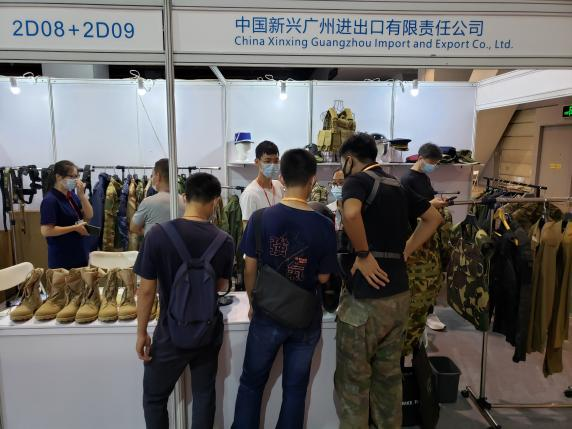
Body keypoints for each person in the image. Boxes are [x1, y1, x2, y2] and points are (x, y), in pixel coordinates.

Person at [334, 133, 442, 428]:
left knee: (353, 384)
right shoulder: (397, 184)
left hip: (365, 301)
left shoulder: (357, 181)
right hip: (398, 297)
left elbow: (351, 214)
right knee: (389, 380)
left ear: (349, 160)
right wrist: (406, 249)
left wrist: (363, 254)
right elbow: (434, 218)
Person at [232, 149, 338, 429]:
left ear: (281, 177)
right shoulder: (325, 225)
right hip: (305, 316)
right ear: (313, 180)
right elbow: (324, 277)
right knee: (295, 389)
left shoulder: (260, 219)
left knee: (251, 383)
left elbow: (249, 268)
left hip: (266, 313)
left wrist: (254, 302)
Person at [134, 173, 235, 429]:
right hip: (207, 330)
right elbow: (222, 286)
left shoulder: (157, 235)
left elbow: (146, 291)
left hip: (170, 330)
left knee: (155, 399)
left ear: (184, 197)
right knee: (203, 395)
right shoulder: (224, 240)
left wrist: (141, 332)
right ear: (215, 201)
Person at [400, 143, 448, 333]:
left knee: (432, 276)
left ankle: (428, 311)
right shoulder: (406, 180)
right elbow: (408, 208)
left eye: (436, 163)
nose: (433, 166)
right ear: (420, 158)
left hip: (429, 235)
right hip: (415, 234)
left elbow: (426, 202)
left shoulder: (424, 178)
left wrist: (437, 202)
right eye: (431, 162)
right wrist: (431, 204)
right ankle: (417, 313)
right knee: (418, 279)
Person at [40, 160, 94, 269]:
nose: (76, 180)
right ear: (58, 177)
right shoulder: (50, 200)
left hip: (79, 253)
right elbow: (46, 231)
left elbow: (89, 215)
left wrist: (82, 196)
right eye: (72, 177)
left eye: (77, 176)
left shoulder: (72, 196)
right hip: (63, 259)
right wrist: (74, 228)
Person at [130, 158, 184, 236]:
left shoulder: (148, 202)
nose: (152, 178)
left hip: (154, 243)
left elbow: (133, 227)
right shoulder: (185, 202)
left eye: (153, 175)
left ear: (158, 176)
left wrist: (148, 233)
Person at [239, 140, 284, 228]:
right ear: (257, 162)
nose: (273, 165)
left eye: (276, 161)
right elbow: (247, 229)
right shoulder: (250, 194)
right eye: (267, 161)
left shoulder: (279, 186)